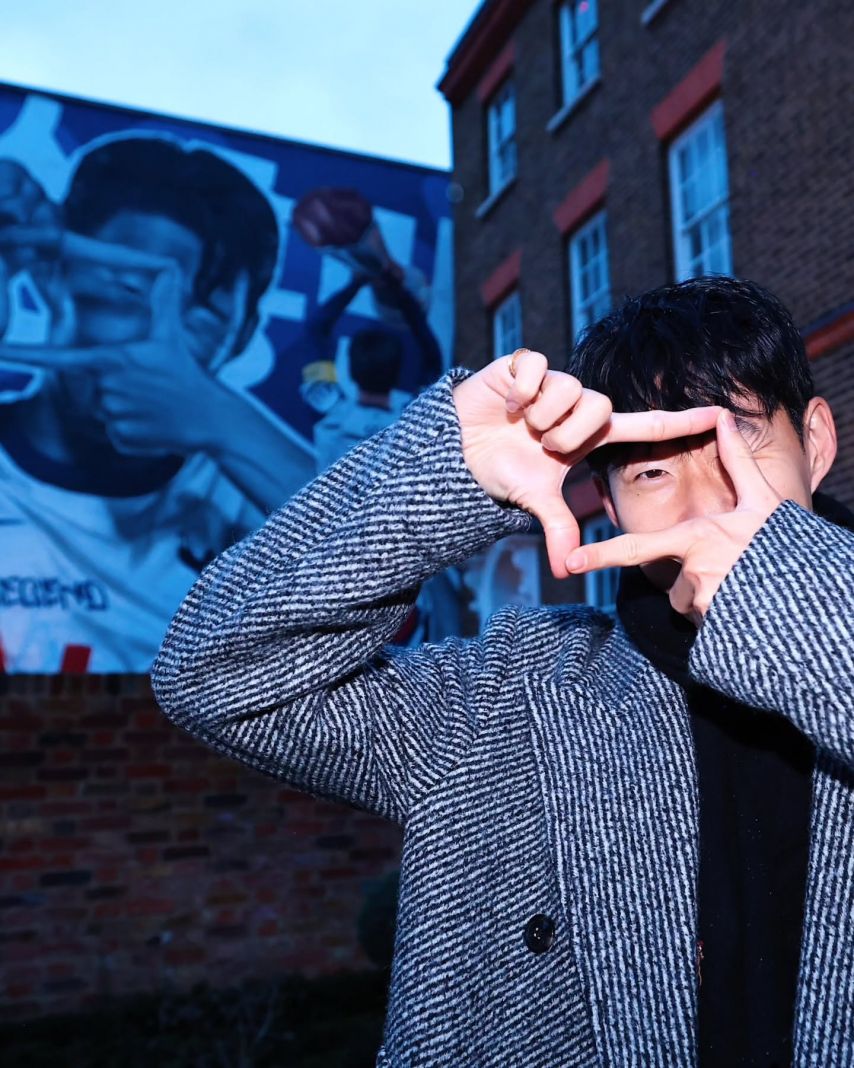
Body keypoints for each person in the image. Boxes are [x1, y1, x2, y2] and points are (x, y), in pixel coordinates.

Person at [151, 276, 853, 1066]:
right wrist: (446, 474)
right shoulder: (504, 699)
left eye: (737, 440)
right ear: (610, 506)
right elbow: (212, 672)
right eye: (651, 472)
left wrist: (790, 600)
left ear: (815, 443)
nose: (702, 505)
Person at [0, 137, 314, 672]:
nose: (156, 346)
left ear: (242, 335)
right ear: (54, 275)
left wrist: (225, 424)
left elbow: (403, 588)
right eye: (127, 292)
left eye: (202, 317)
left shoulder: (250, 498)